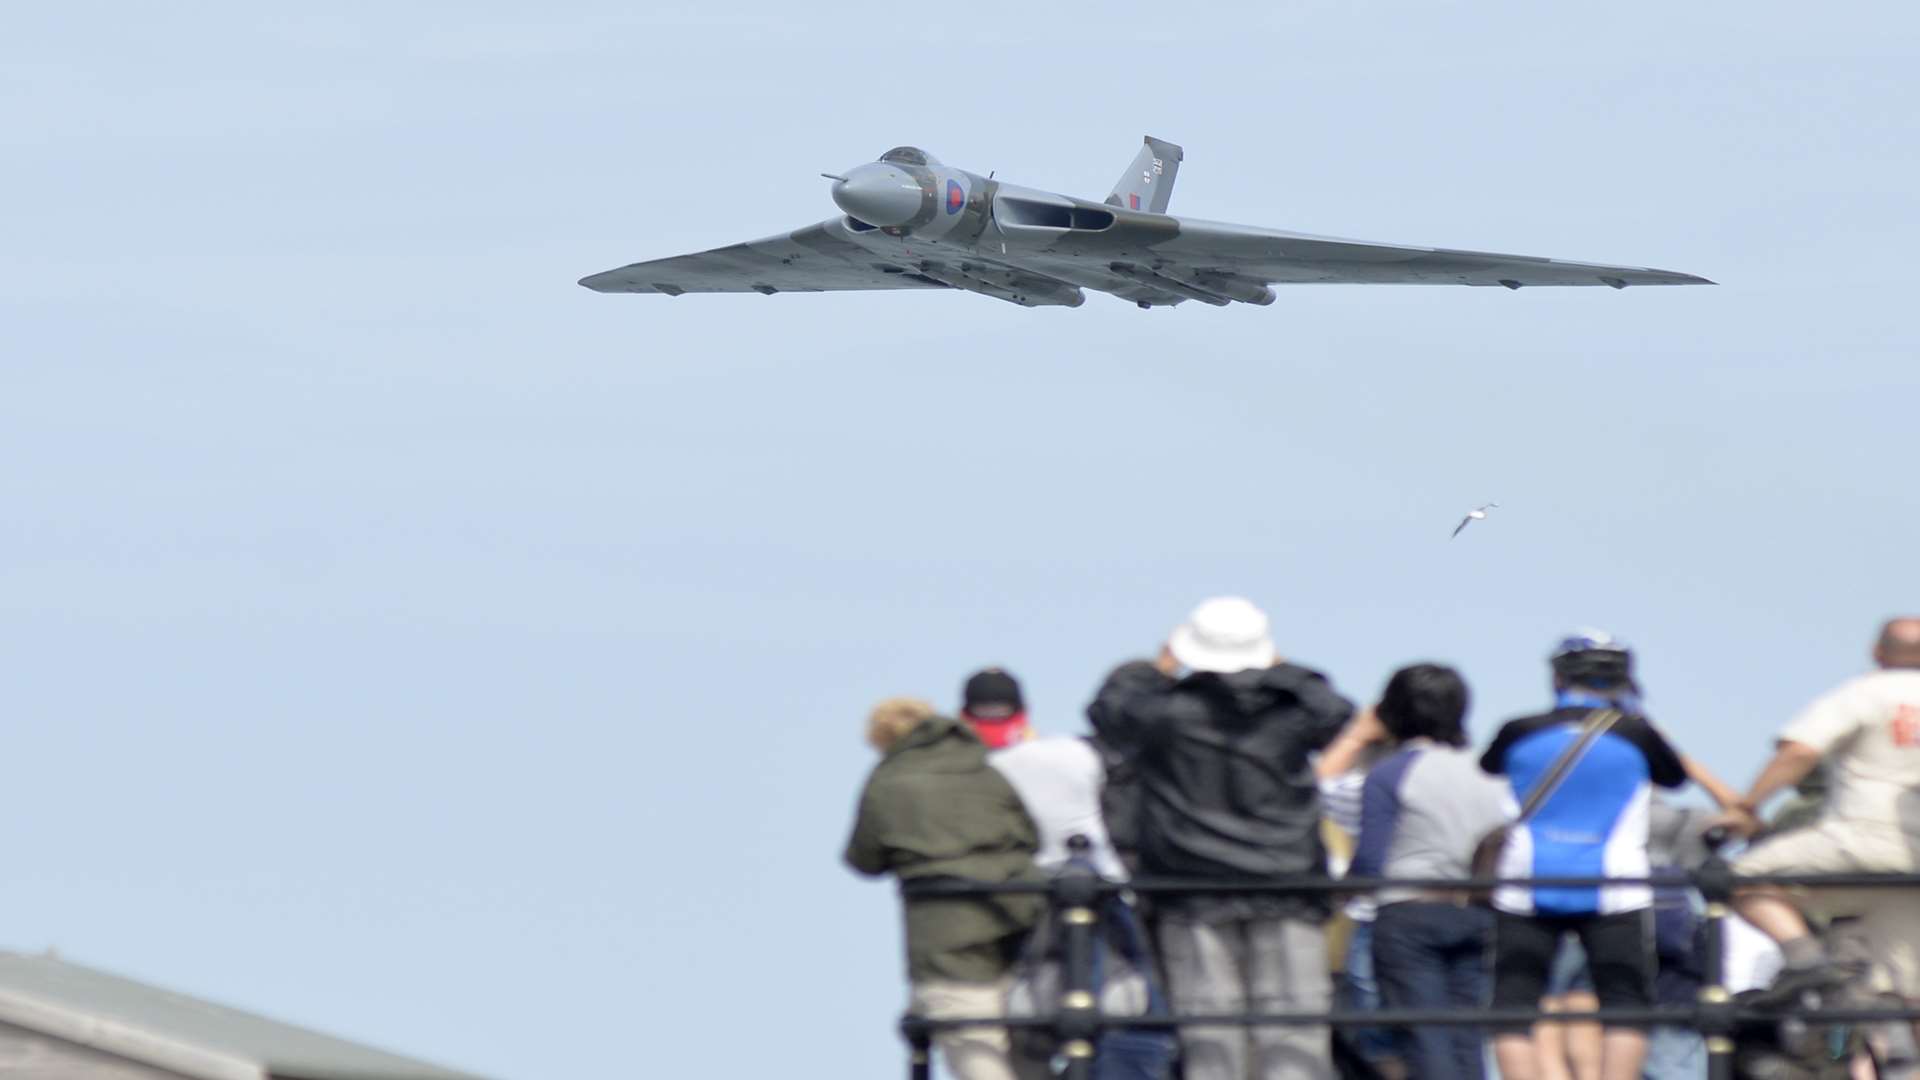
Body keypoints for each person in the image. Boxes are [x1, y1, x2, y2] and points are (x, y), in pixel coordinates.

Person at [1087, 596, 1356, 1080]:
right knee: (1294, 1030)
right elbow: (1338, 713)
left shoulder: (1165, 715)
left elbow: (1108, 711)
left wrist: (1157, 667)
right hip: (1286, 883)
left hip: (1191, 889)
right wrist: (1286, 671)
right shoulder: (1291, 713)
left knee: (1209, 1031)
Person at [1478, 630, 1692, 1080]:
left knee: (1513, 1006)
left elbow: (1490, 764)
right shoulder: (1637, 734)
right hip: (1615, 884)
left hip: (1527, 880)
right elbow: (1675, 777)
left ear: (1556, 676)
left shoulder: (1519, 730)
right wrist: (1634, 716)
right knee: (1625, 1005)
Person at [1717, 618, 1920, 1019]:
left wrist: (1747, 808)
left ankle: (1806, 961)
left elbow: (1800, 751)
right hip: (1914, 860)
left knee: (1737, 879)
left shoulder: (1865, 692)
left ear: (1877, 652)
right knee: (1906, 994)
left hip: (1862, 838)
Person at [844, 697, 1046, 1080]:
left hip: (945, 936)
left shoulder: (887, 781)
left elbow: (864, 860)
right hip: (1020, 919)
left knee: (976, 1054)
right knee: (1030, 1056)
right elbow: (1030, 836)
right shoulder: (984, 768)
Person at [1341, 664, 1509, 1080]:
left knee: (1423, 1033)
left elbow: (1370, 862)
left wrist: (1335, 894)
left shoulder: (1389, 773)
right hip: (1478, 911)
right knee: (1467, 1035)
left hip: (1408, 914)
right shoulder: (1491, 771)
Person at [960, 667, 1127, 881]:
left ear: (963, 716)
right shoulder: (1077, 753)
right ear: (1024, 713)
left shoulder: (960, 773)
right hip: (1100, 881)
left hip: (1012, 887)